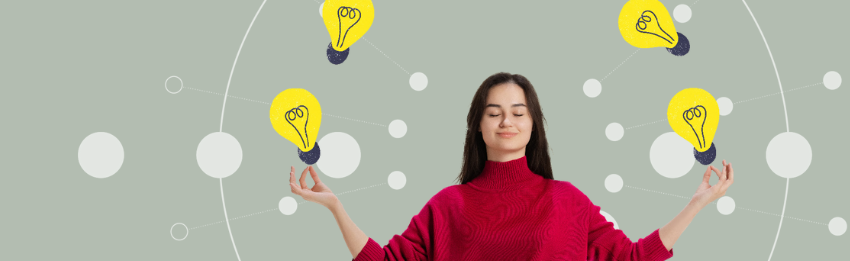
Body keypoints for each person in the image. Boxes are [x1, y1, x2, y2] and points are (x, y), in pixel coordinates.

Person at [289, 72, 734, 260]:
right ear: (478, 127)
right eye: (494, 111)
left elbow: (632, 258)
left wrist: (696, 204)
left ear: (533, 126)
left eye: (519, 112)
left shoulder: (567, 200)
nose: (507, 121)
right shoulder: (448, 205)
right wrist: (336, 208)